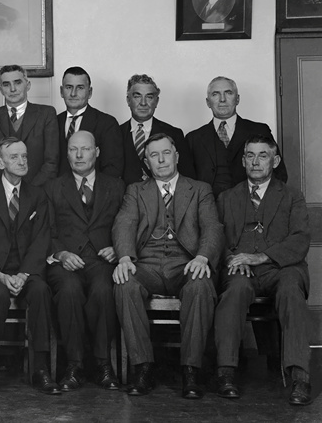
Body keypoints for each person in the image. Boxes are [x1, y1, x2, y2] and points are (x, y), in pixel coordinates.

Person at [112, 133, 222, 399]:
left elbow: (212, 227)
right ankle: (143, 366)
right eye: (153, 155)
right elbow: (124, 223)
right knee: (124, 283)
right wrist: (125, 257)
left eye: (165, 153)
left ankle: (191, 370)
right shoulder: (136, 190)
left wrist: (203, 257)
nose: (161, 160)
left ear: (176, 156)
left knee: (201, 285)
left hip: (186, 264)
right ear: (147, 163)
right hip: (147, 265)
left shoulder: (199, 189)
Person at [214, 135, 312, 406]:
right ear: (243, 160)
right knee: (234, 291)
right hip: (241, 269)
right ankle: (226, 373)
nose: (256, 161)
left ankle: (300, 378)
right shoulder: (226, 198)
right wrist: (233, 260)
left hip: (282, 268)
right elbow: (215, 240)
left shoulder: (292, 196)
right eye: (250, 155)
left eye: (263, 155)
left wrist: (260, 257)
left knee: (292, 291)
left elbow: (300, 239)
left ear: (275, 160)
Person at [0, 137, 58, 395]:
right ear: (0, 162)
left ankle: (40, 368)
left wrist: (23, 273)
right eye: (14, 157)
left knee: (41, 291)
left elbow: (42, 241)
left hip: (25, 270)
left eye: (25, 157)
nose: (22, 161)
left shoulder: (38, 195)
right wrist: (0, 275)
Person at [45, 131, 124, 392]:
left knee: (104, 290)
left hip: (103, 259)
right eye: (73, 150)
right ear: (66, 153)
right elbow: (46, 231)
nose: (79, 155)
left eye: (86, 149)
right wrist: (61, 255)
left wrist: (118, 248)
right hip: (66, 261)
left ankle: (103, 365)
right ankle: (74, 365)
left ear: (97, 152)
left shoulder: (117, 186)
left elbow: (127, 226)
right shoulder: (53, 187)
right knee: (69, 290)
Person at [185, 76, 287, 196]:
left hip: (250, 208)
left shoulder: (259, 130)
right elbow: (188, 184)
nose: (222, 99)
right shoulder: (193, 139)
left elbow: (279, 174)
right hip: (208, 209)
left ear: (237, 99)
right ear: (208, 102)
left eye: (228, 93)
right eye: (215, 94)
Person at [0, 64, 58, 187]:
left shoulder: (46, 114)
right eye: (6, 84)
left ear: (27, 85)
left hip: (37, 195)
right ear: (1, 89)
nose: (12, 89)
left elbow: (51, 162)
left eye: (17, 83)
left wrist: (32, 193)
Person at [120, 74, 194, 185]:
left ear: (157, 101)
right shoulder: (115, 133)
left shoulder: (174, 134)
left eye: (149, 97)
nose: (143, 103)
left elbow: (187, 178)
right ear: (128, 100)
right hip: (125, 200)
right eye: (137, 96)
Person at [57, 66, 124, 178]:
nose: (73, 93)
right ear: (61, 91)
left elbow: (113, 168)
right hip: (56, 192)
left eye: (80, 88)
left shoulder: (107, 123)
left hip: (93, 192)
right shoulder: (52, 121)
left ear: (90, 92)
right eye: (69, 87)